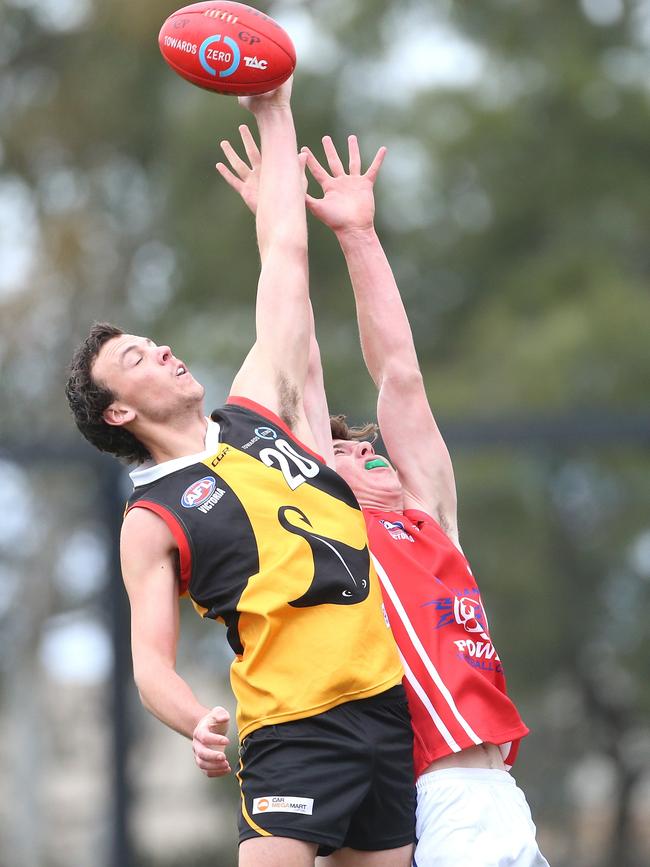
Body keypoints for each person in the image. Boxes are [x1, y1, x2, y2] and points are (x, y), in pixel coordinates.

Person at [65, 82, 416, 867]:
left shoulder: (256, 409)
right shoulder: (152, 517)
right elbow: (150, 662)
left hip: (380, 707)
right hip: (290, 727)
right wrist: (194, 717)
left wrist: (272, 105)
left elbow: (285, 260)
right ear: (118, 413)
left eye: (153, 341)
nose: (160, 349)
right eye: (136, 358)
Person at [297, 135, 551, 867]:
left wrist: (359, 234)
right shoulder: (341, 534)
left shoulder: (429, 518)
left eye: (364, 443)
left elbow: (400, 375)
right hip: (438, 801)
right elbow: (300, 371)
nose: (360, 448)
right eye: (340, 450)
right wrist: (278, 227)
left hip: (499, 796)